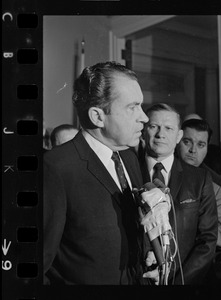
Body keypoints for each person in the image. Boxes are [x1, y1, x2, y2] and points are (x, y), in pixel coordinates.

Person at [43, 61, 149, 285]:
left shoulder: (130, 157)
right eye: (133, 107)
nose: (144, 118)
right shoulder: (57, 168)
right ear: (98, 116)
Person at [139, 103, 218, 285]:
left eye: (168, 128)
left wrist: (177, 282)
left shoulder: (199, 178)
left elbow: (207, 241)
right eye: (153, 127)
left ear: (178, 136)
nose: (160, 134)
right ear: (143, 131)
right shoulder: (128, 171)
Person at [177, 118, 221, 281]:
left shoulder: (217, 186)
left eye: (200, 145)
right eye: (187, 142)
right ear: (177, 140)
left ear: (207, 149)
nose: (193, 150)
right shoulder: (162, 171)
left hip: (197, 270)